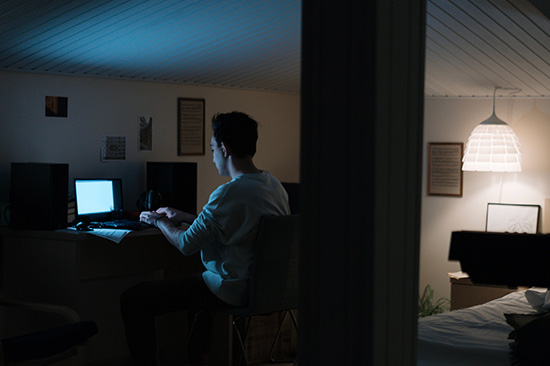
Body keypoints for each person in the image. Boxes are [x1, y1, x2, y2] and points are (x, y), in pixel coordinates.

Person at [120, 111, 290, 366]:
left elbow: (186, 244)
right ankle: (198, 356)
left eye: (212, 149)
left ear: (224, 148)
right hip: (269, 290)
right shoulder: (273, 185)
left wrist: (159, 220)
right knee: (197, 285)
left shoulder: (228, 193)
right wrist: (187, 216)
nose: (212, 158)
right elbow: (236, 223)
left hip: (232, 291)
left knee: (134, 299)